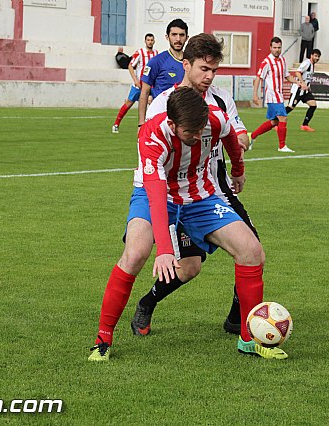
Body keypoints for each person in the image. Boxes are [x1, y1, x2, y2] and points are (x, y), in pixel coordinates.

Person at [88, 86, 287, 362]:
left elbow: (231, 138)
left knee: (252, 251)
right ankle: (103, 340)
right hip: (153, 195)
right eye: (188, 133)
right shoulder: (152, 136)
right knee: (135, 254)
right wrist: (165, 250)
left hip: (199, 196)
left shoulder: (215, 119)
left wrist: (238, 171)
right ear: (172, 124)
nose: (197, 136)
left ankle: (248, 339)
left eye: (200, 130)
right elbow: (157, 196)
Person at [130, 33, 255, 338]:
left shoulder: (222, 99)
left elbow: (238, 133)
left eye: (214, 70)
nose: (209, 77)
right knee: (189, 267)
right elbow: (154, 155)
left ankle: (240, 321)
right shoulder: (164, 103)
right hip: (177, 191)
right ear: (187, 65)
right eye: (204, 69)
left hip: (215, 183)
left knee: (251, 246)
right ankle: (148, 301)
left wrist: (241, 142)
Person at [250, 37, 304, 153]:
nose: (277, 50)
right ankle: (282, 146)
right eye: (274, 48)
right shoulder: (266, 62)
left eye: (279, 48)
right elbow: (258, 78)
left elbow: (287, 76)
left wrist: (297, 82)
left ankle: (252, 136)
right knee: (283, 117)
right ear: (270, 48)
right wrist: (255, 95)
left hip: (278, 95)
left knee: (275, 122)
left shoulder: (282, 60)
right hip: (271, 95)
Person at [138, 19, 188, 125]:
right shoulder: (156, 61)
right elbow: (144, 92)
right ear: (167, 37)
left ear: (187, 37)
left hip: (184, 119)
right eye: (174, 34)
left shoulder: (191, 62)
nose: (178, 39)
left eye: (181, 35)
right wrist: (141, 123)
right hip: (160, 119)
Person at [112, 34, 157, 133]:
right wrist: (136, 80)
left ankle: (150, 128)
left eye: (151, 40)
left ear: (154, 41)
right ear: (145, 41)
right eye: (148, 40)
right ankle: (116, 124)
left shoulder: (156, 54)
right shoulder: (140, 52)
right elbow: (130, 66)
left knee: (153, 104)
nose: (150, 42)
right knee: (128, 104)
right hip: (139, 85)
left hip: (150, 86)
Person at [286, 49, 321, 132]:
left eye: (318, 56)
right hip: (298, 89)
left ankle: (305, 125)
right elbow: (297, 72)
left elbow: (307, 77)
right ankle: (274, 121)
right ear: (311, 55)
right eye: (315, 56)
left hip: (305, 90)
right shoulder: (307, 63)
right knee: (290, 107)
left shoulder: (312, 65)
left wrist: (308, 86)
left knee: (313, 105)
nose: (317, 58)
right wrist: (302, 83)